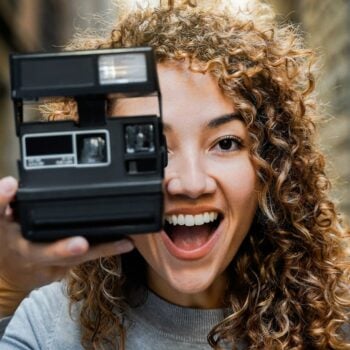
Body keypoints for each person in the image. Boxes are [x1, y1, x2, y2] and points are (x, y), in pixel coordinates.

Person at [0, 0, 350, 349]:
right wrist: (5, 289)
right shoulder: (47, 327)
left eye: (226, 143)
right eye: (149, 145)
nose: (191, 184)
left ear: (271, 167)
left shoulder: (336, 321)